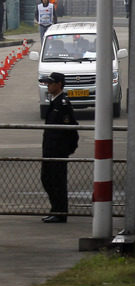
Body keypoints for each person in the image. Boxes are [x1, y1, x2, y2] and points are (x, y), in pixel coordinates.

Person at [39, 72, 79, 223]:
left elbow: (71, 129)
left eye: (51, 83)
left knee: (58, 181)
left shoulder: (63, 104)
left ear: (59, 84)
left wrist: (67, 150)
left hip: (58, 151)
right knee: (47, 179)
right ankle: (55, 209)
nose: (48, 85)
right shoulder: (54, 102)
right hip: (49, 150)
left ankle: (60, 213)